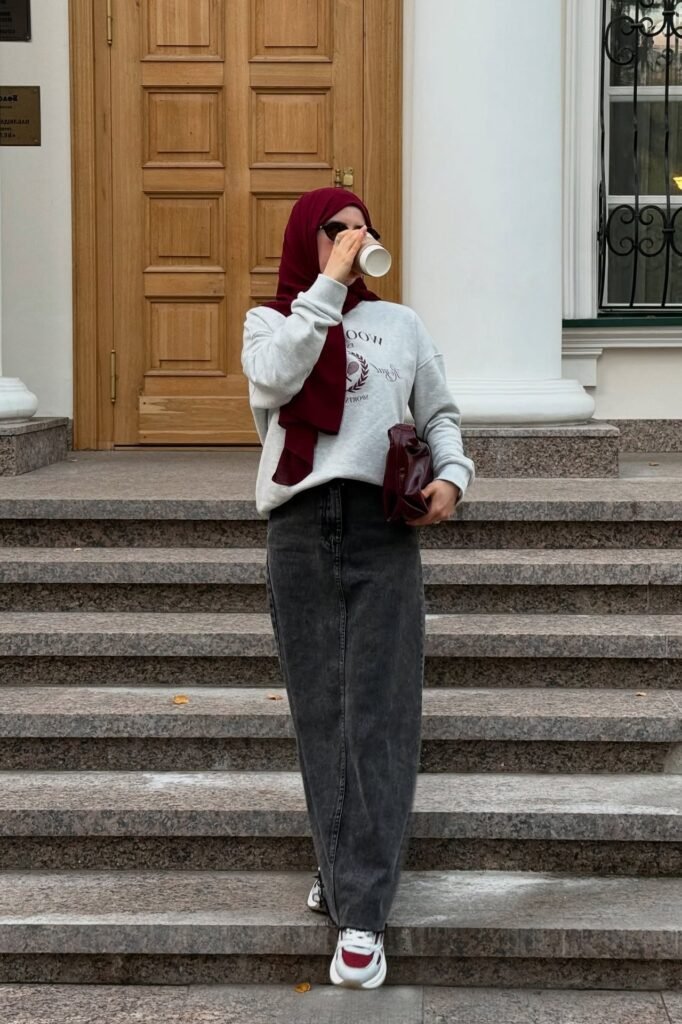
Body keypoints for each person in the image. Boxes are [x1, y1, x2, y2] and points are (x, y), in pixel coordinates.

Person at [241, 187, 475, 989]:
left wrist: (453, 476)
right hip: (301, 528)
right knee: (322, 716)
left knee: (380, 715)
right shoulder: (272, 322)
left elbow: (439, 415)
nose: (353, 237)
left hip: (382, 532)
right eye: (335, 229)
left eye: (361, 227)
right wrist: (327, 291)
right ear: (305, 239)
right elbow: (275, 382)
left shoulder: (400, 324)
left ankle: (362, 917)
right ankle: (345, 870)